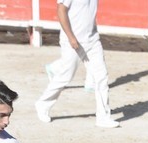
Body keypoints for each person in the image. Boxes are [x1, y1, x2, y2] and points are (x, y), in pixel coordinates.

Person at [35, 0, 119, 128]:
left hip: (92, 40)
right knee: (65, 76)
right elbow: (61, 10)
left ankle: (103, 117)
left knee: (101, 77)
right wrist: (71, 37)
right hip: (72, 41)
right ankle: (43, 103)